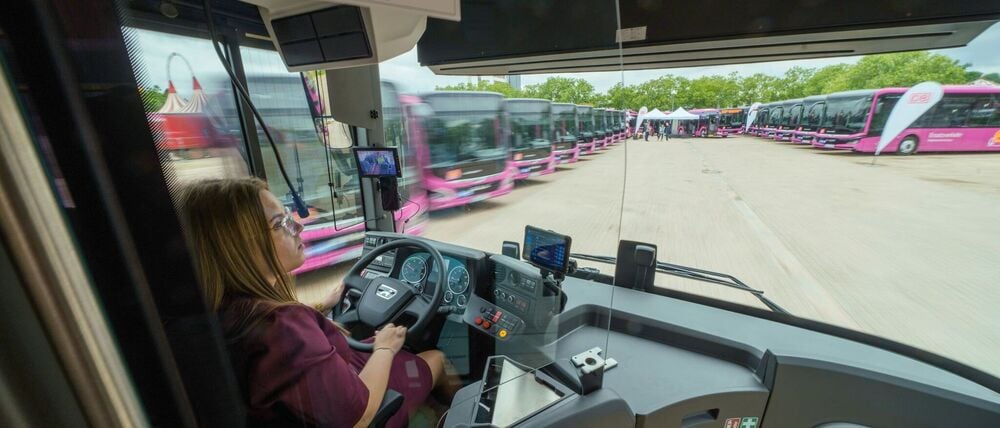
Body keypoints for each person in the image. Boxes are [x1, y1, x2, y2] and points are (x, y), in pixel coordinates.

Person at [178, 177, 454, 428]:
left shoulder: (220, 310)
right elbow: (359, 416)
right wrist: (384, 348)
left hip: (334, 381)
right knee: (436, 358)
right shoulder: (282, 327)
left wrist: (322, 306)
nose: (298, 227)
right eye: (280, 223)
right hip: (367, 404)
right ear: (238, 246)